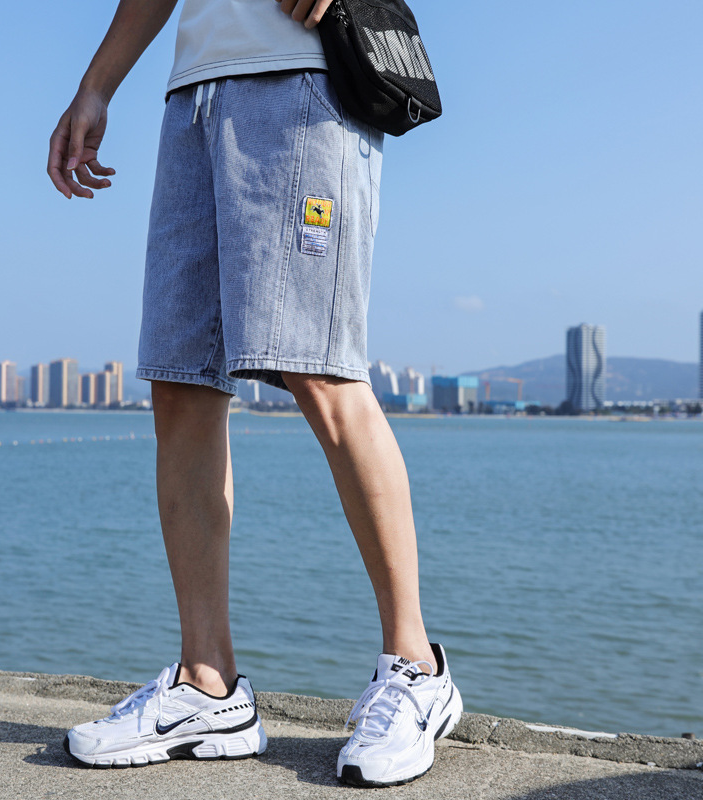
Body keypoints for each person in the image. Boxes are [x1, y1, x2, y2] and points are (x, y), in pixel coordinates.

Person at [48, 0, 461, 787]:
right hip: (193, 95)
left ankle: (417, 669)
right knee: (180, 383)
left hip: (301, 80)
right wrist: (96, 85)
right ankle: (208, 686)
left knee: (322, 370)